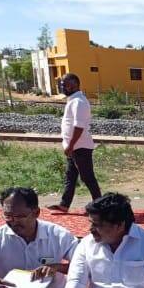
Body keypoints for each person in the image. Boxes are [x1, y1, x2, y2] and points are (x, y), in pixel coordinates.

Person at [48, 73, 101, 213]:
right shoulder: (73, 100)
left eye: (65, 84)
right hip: (74, 147)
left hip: (80, 147)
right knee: (70, 177)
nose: (62, 86)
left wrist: (71, 145)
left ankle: (100, 206)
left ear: (75, 84)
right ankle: (64, 205)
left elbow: (79, 126)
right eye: (62, 84)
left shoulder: (79, 102)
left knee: (87, 177)